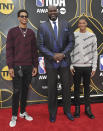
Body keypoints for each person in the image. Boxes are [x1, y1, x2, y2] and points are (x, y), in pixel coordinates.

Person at [37, 5, 75, 122]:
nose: (52, 12)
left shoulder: (66, 24)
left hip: (64, 62)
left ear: (57, 12)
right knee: (52, 89)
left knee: (66, 88)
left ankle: (67, 111)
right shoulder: (42, 26)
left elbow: (71, 42)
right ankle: (52, 113)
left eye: (54, 10)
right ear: (47, 12)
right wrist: (53, 55)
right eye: (50, 11)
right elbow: (40, 45)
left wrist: (63, 54)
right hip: (50, 62)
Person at [6, 9, 38, 127]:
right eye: (22, 16)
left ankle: (22, 112)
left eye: (26, 16)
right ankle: (14, 115)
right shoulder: (12, 32)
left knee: (25, 91)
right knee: (17, 91)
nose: (24, 18)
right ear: (18, 18)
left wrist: (35, 65)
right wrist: (10, 67)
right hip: (17, 66)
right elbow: (9, 50)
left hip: (29, 67)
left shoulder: (31, 33)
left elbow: (34, 51)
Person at [70, 17, 98, 119]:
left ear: (86, 24)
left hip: (88, 67)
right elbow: (70, 52)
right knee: (76, 89)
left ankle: (87, 109)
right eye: (80, 23)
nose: (81, 24)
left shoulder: (92, 36)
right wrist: (71, 65)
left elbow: (95, 53)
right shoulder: (73, 36)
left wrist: (94, 67)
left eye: (83, 23)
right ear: (78, 25)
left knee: (87, 89)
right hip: (76, 67)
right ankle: (77, 109)